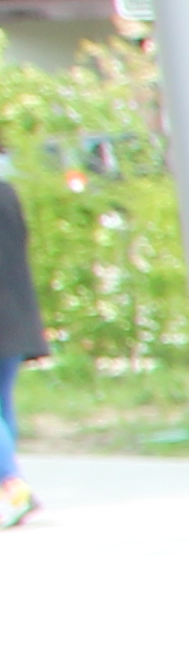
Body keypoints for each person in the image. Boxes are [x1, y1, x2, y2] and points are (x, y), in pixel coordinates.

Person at [0, 145, 37, 532]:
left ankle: (12, 484)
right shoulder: (8, 194)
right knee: (3, 403)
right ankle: (10, 483)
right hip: (16, 316)